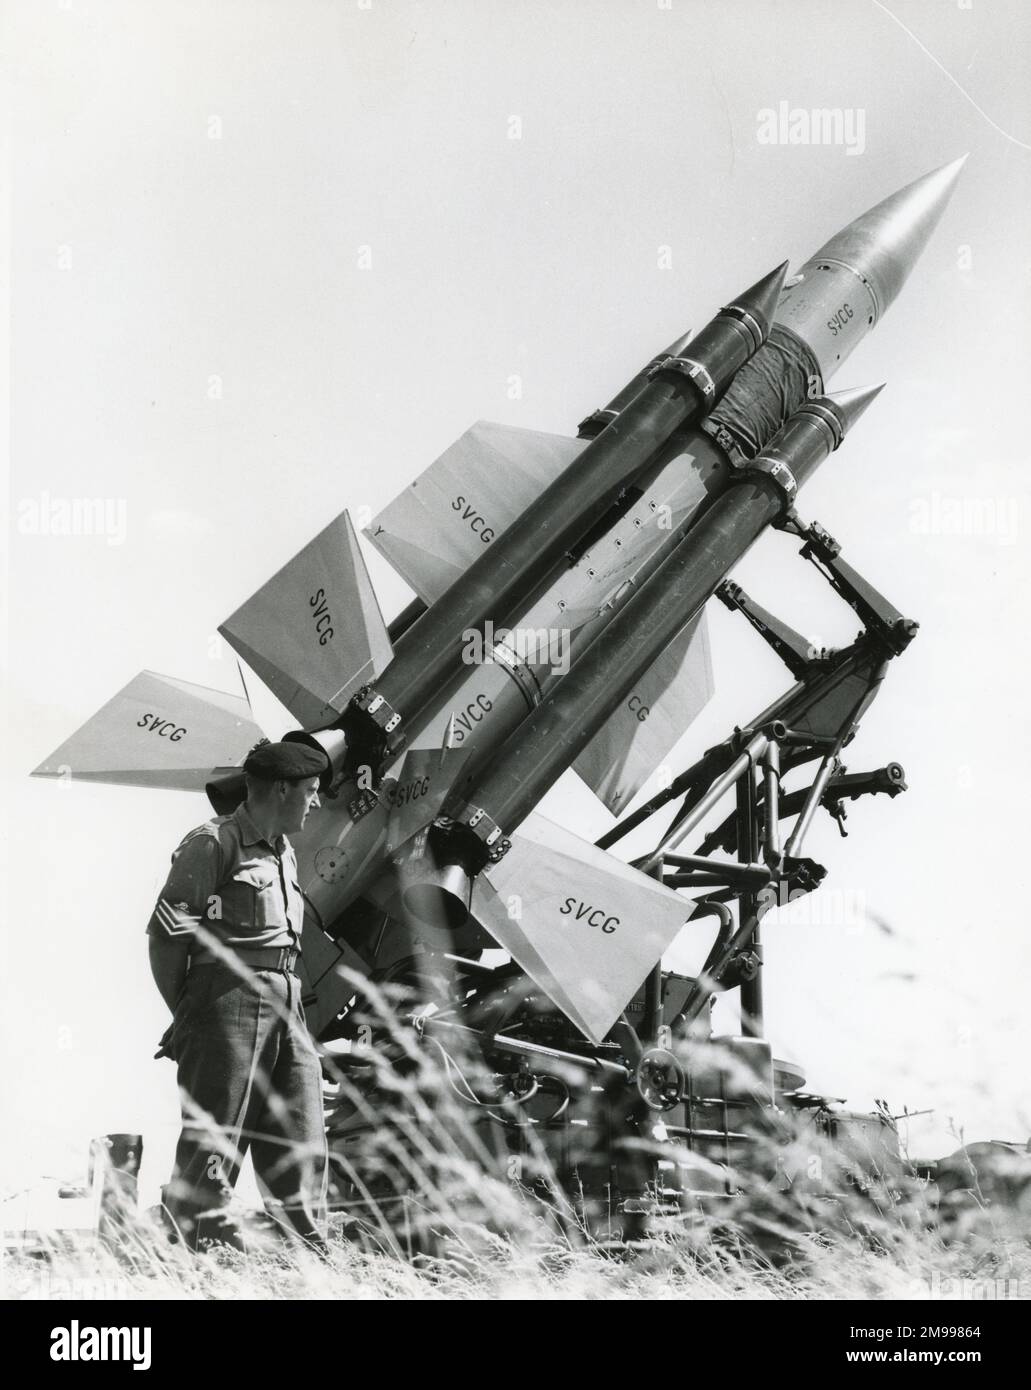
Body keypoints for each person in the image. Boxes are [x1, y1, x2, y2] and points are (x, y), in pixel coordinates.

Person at [147, 738, 331, 1255]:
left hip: (288, 1003)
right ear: (281, 789)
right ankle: (188, 1261)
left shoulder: (283, 852)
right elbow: (166, 937)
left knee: (303, 1143)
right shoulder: (213, 843)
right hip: (227, 998)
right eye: (311, 791)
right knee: (215, 1147)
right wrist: (189, 1014)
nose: (316, 802)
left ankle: (310, 1269)